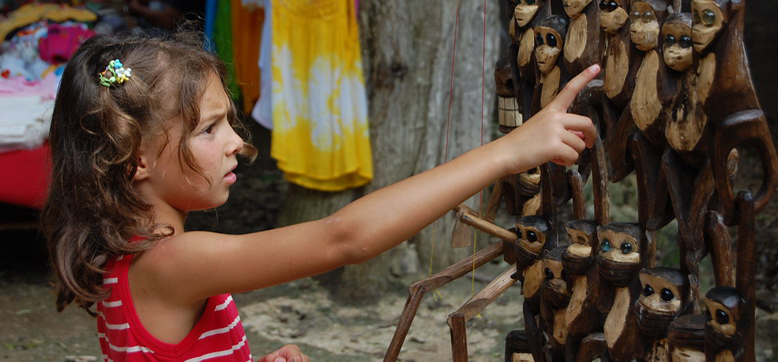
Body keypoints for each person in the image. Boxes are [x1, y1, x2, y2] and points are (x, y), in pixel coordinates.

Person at [41, 32, 598, 361]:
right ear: (135, 159)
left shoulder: (128, 256)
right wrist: (507, 151)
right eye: (208, 130)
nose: (237, 142)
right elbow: (345, 239)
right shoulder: (171, 262)